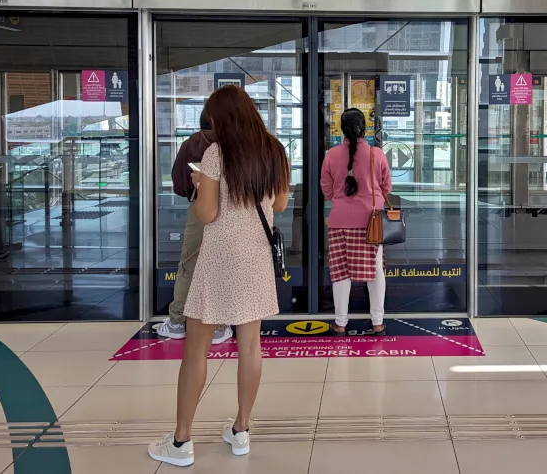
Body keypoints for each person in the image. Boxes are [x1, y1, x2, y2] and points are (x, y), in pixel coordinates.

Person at [149, 85, 289, 468]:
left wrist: (201, 186)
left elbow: (207, 214)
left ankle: (181, 442)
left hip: (219, 259)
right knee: (250, 346)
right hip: (256, 259)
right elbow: (279, 203)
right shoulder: (274, 150)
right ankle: (241, 430)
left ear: (222, 118)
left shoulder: (215, 153)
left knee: (196, 350)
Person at [153, 110, 232, 345]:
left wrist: (196, 188)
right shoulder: (235, 144)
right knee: (221, 264)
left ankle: (177, 322)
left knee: (190, 263)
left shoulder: (191, 144)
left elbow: (178, 183)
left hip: (200, 209)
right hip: (231, 210)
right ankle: (219, 326)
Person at [320, 108, 391, 336]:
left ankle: (340, 323)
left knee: (341, 272)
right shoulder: (376, 154)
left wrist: (340, 202)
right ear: (365, 129)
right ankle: (377, 322)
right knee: (376, 270)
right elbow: (387, 186)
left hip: (339, 221)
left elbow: (326, 188)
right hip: (371, 222)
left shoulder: (331, 154)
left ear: (342, 128)